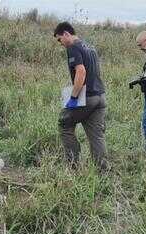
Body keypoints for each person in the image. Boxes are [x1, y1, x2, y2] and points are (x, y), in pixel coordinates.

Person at [53, 22, 107, 172]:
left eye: (59, 39)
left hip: (86, 97)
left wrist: (74, 97)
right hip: (100, 96)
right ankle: (102, 172)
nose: (60, 43)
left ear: (66, 34)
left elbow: (81, 72)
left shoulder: (73, 47)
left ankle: (72, 166)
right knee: (96, 136)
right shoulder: (90, 47)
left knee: (64, 124)